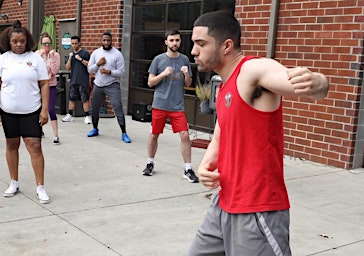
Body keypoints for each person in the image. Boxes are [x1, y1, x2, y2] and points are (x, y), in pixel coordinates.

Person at [186, 11, 329, 256]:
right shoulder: (223, 86)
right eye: (193, 44)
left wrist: (317, 82)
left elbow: (302, 84)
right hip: (223, 204)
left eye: (201, 44)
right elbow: (222, 133)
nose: (193, 51)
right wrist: (206, 164)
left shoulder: (252, 70)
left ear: (227, 46)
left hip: (257, 210)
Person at [0, 20, 51, 204]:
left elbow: (44, 84)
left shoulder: (36, 59)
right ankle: (14, 182)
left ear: (27, 41)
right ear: (8, 41)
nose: (18, 44)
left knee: (35, 146)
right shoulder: (1, 60)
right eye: (15, 41)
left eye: (22, 41)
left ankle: (40, 186)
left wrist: (45, 110)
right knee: (11, 145)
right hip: (8, 111)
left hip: (32, 110)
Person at [141, 28, 198, 183]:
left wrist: (186, 74)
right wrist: (163, 74)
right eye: (171, 40)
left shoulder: (184, 60)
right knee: (154, 134)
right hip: (160, 104)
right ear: (166, 42)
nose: (174, 43)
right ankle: (150, 163)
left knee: (185, 135)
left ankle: (188, 169)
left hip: (177, 106)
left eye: (177, 40)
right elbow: (150, 82)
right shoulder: (158, 60)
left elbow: (188, 84)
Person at [86, 32, 131, 143]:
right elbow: (89, 69)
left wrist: (109, 71)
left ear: (112, 41)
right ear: (101, 41)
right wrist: (98, 64)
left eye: (108, 40)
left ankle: (124, 133)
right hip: (98, 84)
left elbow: (121, 72)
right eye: (104, 40)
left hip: (112, 85)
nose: (106, 42)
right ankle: (95, 128)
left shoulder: (117, 54)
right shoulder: (96, 53)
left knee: (117, 107)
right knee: (94, 108)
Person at [35, 32, 61, 145]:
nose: (47, 45)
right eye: (44, 43)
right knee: (38, 108)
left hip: (51, 85)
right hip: (39, 85)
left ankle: (56, 135)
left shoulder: (55, 55)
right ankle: (39, 130)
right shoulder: (37, 55)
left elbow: (55, 71)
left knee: (50, 108)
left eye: (49, 43)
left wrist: (51, 58)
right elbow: (35, 70)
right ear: (41, 44)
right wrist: (41, 57)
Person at [63, 35, 91, 124]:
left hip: (83, 80)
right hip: (73, 80)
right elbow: (67, 68)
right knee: (72, 98)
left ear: (79, 43)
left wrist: (81, 59)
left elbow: (89, 64)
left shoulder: (85, 53)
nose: (74, 45)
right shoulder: (71, 54)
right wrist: (71, 57)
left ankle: (87, 116)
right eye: (72, 44)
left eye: (76, 43)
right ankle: (70, 115)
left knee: (85, 99)